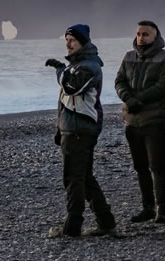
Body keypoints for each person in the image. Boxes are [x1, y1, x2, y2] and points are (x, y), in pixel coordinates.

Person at [45, 24, 117, 237]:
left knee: (73, 178)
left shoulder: (90, 66)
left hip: (80, 130)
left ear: (83, 42)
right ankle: (106, 221)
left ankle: (72, 227)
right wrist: (60, 129)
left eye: (72, 40)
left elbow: (71, 87)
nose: (67, 44)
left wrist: (59, 69)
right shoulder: (77, 66)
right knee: (84, 177)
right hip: (73, 128)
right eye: (66, 40)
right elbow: (66, 100)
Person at [114, 20, 165, 224]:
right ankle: (147, 207)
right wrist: (128, 98)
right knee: (140, 166)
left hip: (154, 119)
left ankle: (162, 209)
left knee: (157, 166)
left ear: (156, 36)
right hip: (131, 120)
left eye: (146, 34)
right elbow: (119, 81)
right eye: (139, 34)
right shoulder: (129, 56)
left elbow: (164, 87)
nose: (141, 37)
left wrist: (138, 99)